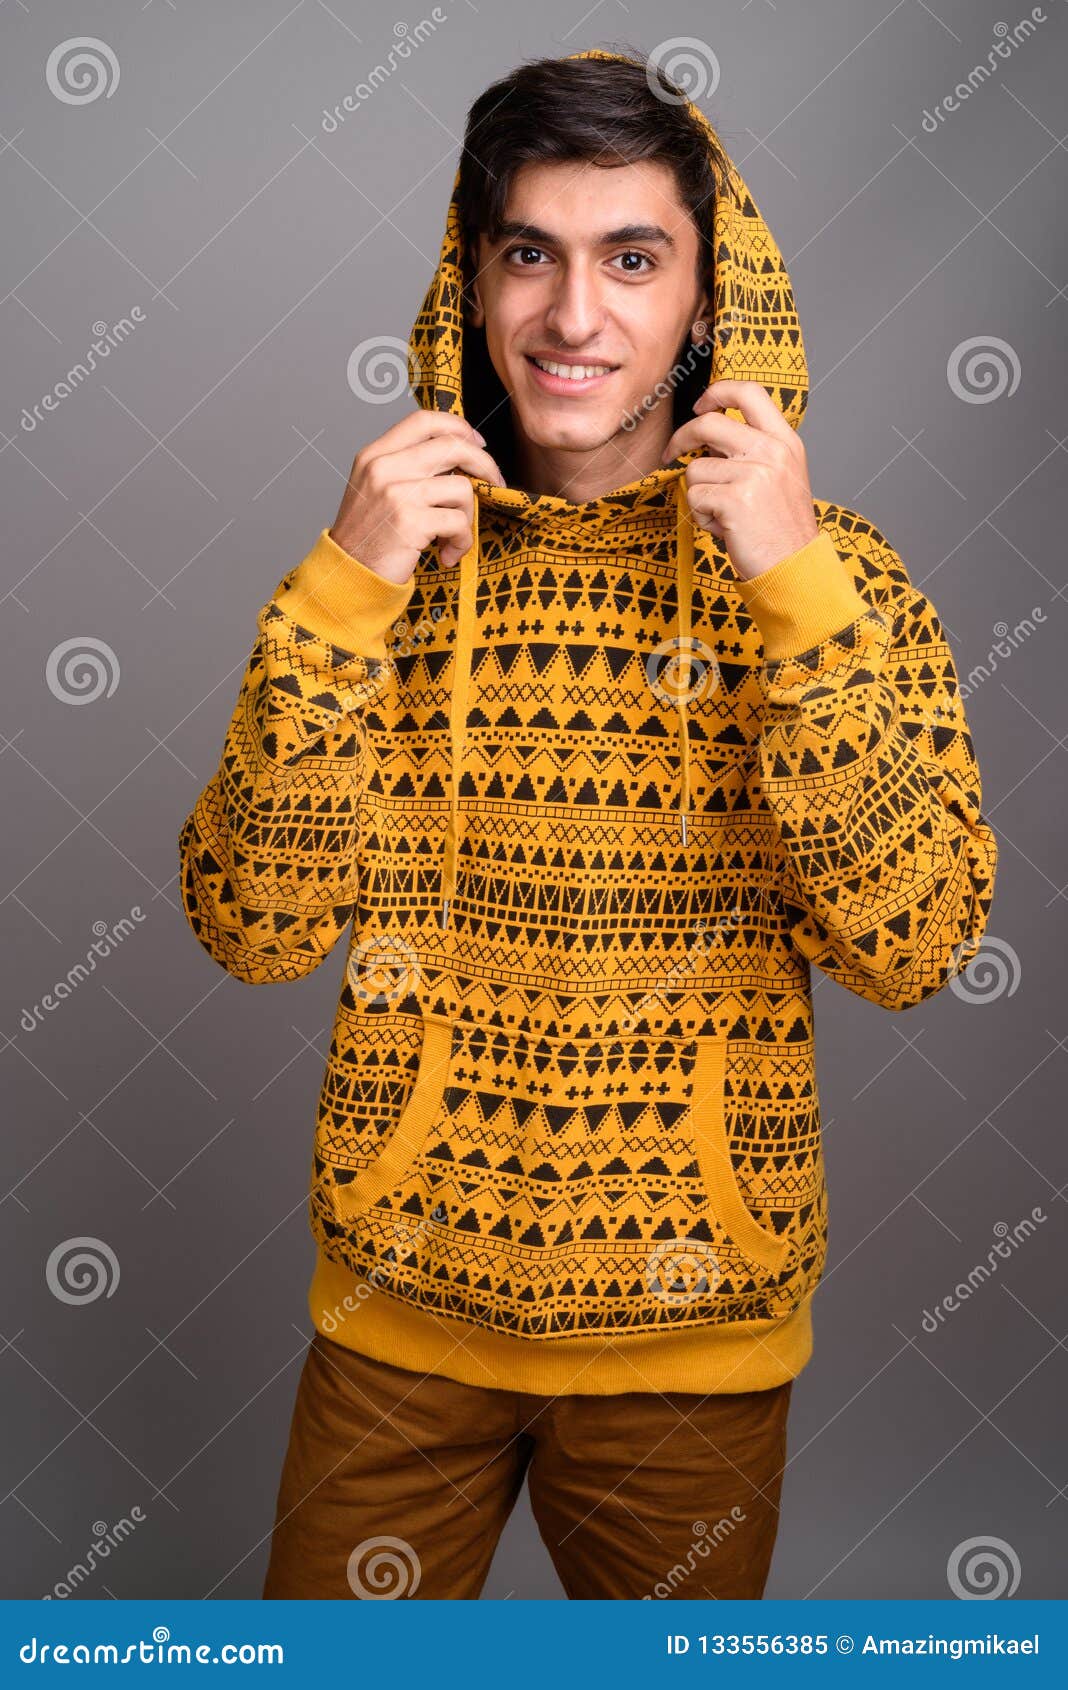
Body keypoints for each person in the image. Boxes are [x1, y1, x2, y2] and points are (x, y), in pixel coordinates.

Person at [178, 47, 998, 1600]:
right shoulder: (381, 565)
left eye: (633, 259)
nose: (574, 316)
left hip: (696, 1337)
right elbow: (250, 924)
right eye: (530, 254)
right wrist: (340, 597)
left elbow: (916, 941)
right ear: (473, 282)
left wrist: (792, 587)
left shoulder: (839, 575)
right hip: (397, 1316)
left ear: (707, 298)